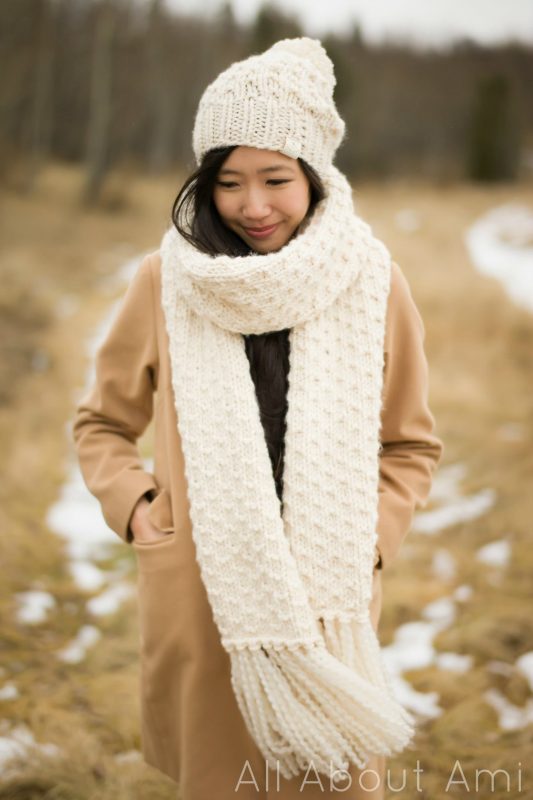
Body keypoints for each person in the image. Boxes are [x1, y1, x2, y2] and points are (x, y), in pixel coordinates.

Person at [72, 37, 444, 800]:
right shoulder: (165, 281)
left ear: (314, 176)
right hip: (205, 599)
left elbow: (409, 444)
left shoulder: (372, 284)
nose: (252, 205)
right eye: (229, 183)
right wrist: (139, 510)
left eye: (275, 178)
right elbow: (101, 425)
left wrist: (367, 540)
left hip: (326, 603)